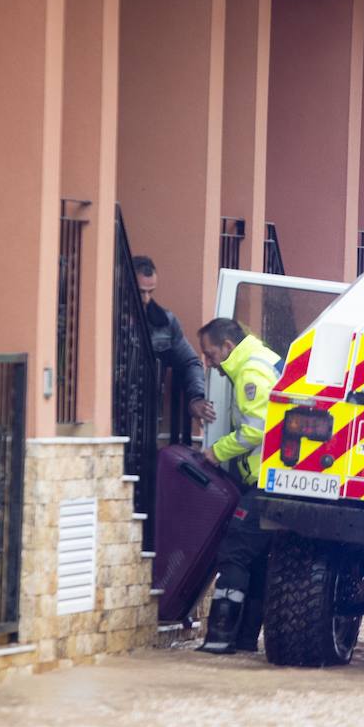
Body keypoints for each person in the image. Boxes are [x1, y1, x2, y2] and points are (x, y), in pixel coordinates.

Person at [196, 317, 282, 654]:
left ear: (228, 347)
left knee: (234, 554)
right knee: (258, 562)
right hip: (272, 480)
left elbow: (255, 430)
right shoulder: (260, 358)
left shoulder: (250, 371)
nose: (210, 363)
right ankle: (245, 640)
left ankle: (219, 637)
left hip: (264, 482)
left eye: (211, 354)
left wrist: (217, 452)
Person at [134, 256, 215, 427]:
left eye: (151, 292)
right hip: (111, 410)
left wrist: (196, 398)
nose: (146, 299)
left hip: (146, 416)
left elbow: (191, 362)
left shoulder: (165, 322)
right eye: (141, 292)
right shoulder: (108, 316)